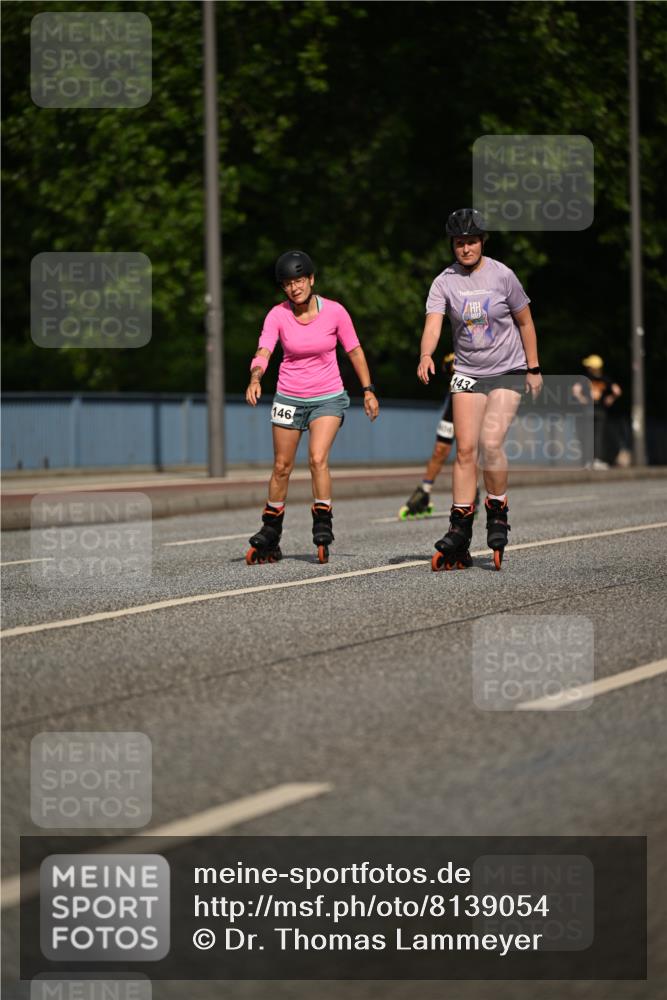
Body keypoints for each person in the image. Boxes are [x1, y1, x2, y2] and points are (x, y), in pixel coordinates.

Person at [417, 208, 543, 570]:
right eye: (459, 243)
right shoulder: (444, 282)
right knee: (465, 450)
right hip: (468, 371)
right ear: (452, 245)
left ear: (482, 242)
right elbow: (433, 323)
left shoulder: (503, 275)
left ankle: (498, 510)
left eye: (471, 242)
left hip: (508, 369)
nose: (466, 248)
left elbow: (526, 321)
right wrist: (426, 354)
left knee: (490, 443)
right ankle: (459, 530)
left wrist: (533, 368)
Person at [245, 250, 379, 564]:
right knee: (282, 466)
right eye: (288, 284)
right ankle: (270, 531)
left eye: (300, 280)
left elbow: (355, 351)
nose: (294, 288)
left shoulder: (335, 312)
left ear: (311, 280)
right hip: (288, 396)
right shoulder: (277, 314)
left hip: (328, 396)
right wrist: (255, 377)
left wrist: (368, 390)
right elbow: (264, 349)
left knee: (318, 458)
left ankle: (322, 523)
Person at [399, 353, 480, 519]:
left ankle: (474, 491)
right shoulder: (453, 356)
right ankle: (424, 492)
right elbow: (447, 366)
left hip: (479, 400)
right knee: (440, 449)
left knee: (469, 449)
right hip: (456, 400)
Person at [572, 354, 622, 468]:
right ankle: (598, 460)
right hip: (601, 411)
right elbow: (617, 391)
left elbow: (575, 390)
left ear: (591, 367)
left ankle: (587, 461)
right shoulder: (605, 379)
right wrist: (610, 398)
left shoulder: (585, 378)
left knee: (587, 436)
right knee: (598, 436)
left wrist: (581, 399)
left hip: (587, 410)